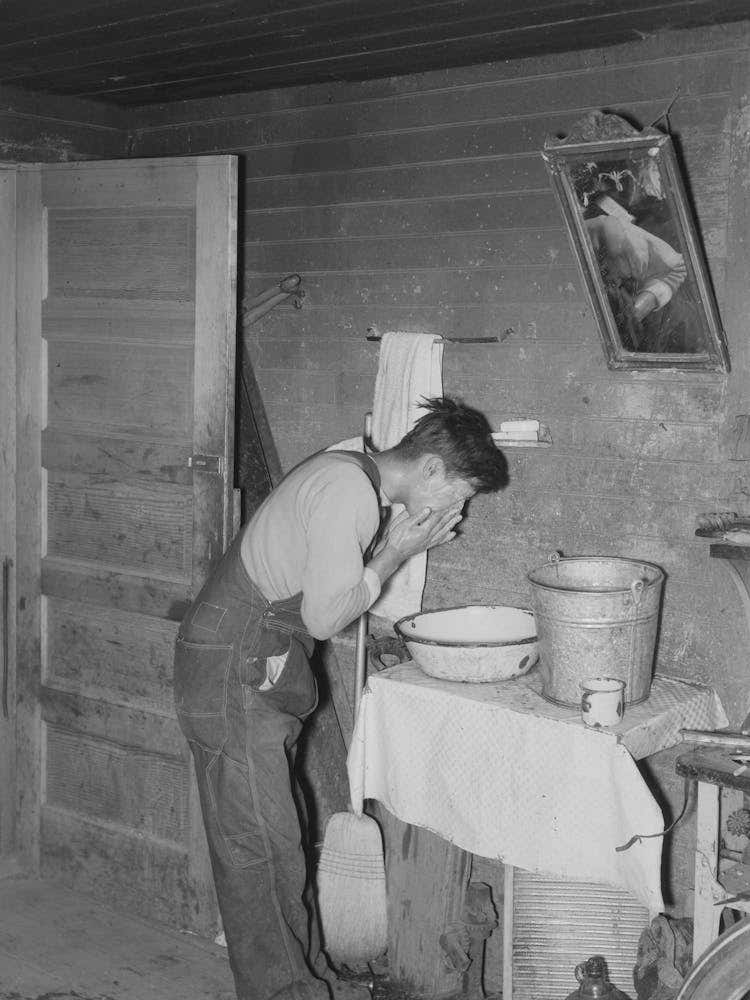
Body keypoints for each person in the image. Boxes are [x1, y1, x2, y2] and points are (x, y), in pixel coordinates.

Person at [173, 396, 509, 1000]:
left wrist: (391, 545)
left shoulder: (353, 468)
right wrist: (398, 552)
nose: (456, 509)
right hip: (231, 668)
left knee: (279, 839)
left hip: (246, 661)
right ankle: (285, 992)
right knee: (259, 852)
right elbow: (327, 617)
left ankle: (309, 977)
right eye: (457, 492)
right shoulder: (348, 491)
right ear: (429, 468)